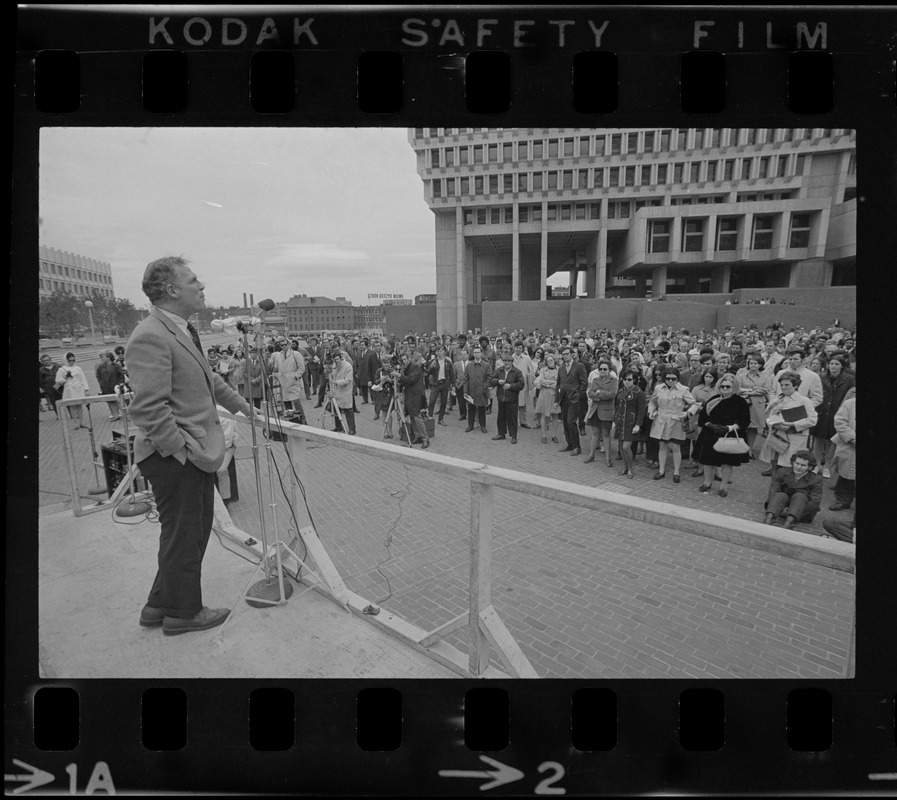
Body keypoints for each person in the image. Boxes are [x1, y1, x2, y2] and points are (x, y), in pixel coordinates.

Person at [126, 256, 259, 636]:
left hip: (188, 455)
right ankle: (184, 613)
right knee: (187, 536)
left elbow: (208, 380)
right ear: (171, 290)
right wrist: (181, 451)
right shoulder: (151, 334)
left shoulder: (180, 331)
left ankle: (157, 606)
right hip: (177, 458)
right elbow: (149, 408)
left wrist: (245, 408)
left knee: (186, 534)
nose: (202, 287)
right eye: (194, 281)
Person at [692, 377, 752, 497]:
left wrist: (729, 428)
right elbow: (704, 416)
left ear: (734, 387)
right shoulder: (714, 399)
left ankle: (723, 486)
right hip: (711, 433)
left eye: (728, 386)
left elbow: (745, 420)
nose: (725, 388)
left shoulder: (740, 401)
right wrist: (709, 424)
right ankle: (707, 482)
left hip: (729, 435)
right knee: (707, 460)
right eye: (722, 386)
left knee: (727, 462)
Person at [758, 370, 818, 478]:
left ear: (795, 386)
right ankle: (775, 476)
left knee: (790, 463)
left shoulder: (804, 401)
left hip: (795, 437)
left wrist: (791, 424)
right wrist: (774, 424)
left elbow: (812, 420)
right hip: (778, 435)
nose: (784, 387)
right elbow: (768, 416)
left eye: (787, 385)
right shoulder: (778, 399)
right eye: (781, 385)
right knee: (775, 459)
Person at [647, 366, 699, 482]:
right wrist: (651, 411)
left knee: (675, 447)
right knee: (662, 446)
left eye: (673, 379)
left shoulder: (683, 389)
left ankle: (676, 472)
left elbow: (695, 404)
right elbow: (652, 401)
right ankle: (661, 470)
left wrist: (687, 413)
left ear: (677, 379)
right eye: (668, 378)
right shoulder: (658, 388)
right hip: (661, 420)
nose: (670, 381)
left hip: (676, 420)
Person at [811, 355, 855, 477]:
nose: (833, 367)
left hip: (837, 412)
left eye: (836, 364)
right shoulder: (820, 377)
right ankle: (816, 464)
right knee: (818, 439)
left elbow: (850, 397)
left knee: (832, 441)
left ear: (842, 366)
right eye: (831, 364)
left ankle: (827, 466)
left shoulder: (849, 379)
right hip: (821, 411)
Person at [763, 450, 823, 529]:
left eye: (803, 465)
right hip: (780, 507)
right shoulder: (782, 472)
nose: (799, 467)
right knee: (780, 495)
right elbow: (773, 491)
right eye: (797, 463)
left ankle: (789, 524)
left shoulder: (816, 479)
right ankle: (769, 519)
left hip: (801, 511)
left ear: (810, 467)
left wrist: (793, 509)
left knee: (800, 496)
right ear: (793, 463)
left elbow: (815, 501)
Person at [735, 354, 774, 457]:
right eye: (751, 363)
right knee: (741, 425)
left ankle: (749, 449)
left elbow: (765, 389)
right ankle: (739, 448)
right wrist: (750, 390)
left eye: (755, 363)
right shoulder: (741, 376)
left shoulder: (766, 377)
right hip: (743, 403)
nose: (752, 365)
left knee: (753, 427)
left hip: (757, 404)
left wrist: (750, 393)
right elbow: (737, 388)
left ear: (760, 365)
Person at [613, 369, 646, 479]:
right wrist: (614, 420)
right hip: (620, 421)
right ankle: (624, 467)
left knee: (626, 447)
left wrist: (638, 424)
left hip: (631, 423)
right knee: (621, 447)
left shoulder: (639, 393)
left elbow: (641, 411)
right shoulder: (621, 391)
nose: (626, 381)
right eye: (624, 379)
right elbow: (617, 407)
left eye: (629, 379)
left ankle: (631, 469)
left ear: (634, 380)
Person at [584, 360, 618, 466]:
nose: (602, 371)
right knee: (595, 434)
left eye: (605, 369)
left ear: (609, 370)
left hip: (606, 411)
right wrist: (599, 395)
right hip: (595, 410)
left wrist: (598, 393)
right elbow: (590, 392)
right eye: (600, 369)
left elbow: (612, 394)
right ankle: (591, 455)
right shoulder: (595, 379)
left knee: (606, 434)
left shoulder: (614, 380)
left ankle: (608, 458)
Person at [556, 346, 588, 456]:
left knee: (571, 422)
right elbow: (558, 384)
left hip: (574, 398)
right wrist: (557, 399)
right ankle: (569, 443)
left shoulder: (579, 366)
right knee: (565, 423)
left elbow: (584, 383)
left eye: (567, 354)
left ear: (571, 354)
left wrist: (579, 395)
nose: (565, 356)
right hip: (563, 398)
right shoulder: (561, 368)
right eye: (563, 354)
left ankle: (576, 447)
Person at [828, 387, 856, 512]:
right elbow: (839, 421)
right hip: (850, 445)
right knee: (846, 473)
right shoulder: (850, 404)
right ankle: (843, 500)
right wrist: (852, 438)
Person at [395, 351, 430, 448]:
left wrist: (399, 376)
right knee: (412, 416)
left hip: (416, 395)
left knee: (417, 417)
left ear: (409, 359)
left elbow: (410, 380)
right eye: (402, 360)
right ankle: (418, 436)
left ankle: (425, 438)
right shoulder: (405, 369)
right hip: (409, 395)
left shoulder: (415, 367)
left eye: (405, 359)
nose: (404, 362)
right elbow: (403, 382)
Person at [490, 351, 525, 443]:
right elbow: (491, 380)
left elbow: (521, 384)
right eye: (505, 360)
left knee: (512, 418)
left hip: (512, 399)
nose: (506, 362)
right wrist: (497, 381)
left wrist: (510, 386)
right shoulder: (499, 370)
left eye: (508, 361)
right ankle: (501, 434)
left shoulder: (517, 372)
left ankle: (513, 436)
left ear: (512, 361)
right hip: (501, 398)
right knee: (501, 417)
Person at [55, 352, 90, 429]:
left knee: (79, 405)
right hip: (69, 388)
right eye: (70, 360)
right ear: (66, 360)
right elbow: (58, 380)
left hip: (78, 388)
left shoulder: (78, 368)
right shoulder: (61, 369)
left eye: (73, 360)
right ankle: (76, 423)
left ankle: (81, 422)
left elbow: (83, 379)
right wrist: (65, 378)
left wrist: (86, 389)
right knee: (72, 405)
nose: (72, 362)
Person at [462, 346, 492, 433]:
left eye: (478, 352)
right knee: (471, 408)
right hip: (471, 391)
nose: (476, 354)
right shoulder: (469, 365)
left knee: (482, 409)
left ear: (482, 354)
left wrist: (484, 387)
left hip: (482, 391)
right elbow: (465, 379)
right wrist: (465, 391)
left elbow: (489, 377)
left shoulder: (486, 365)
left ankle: (483, 426)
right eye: (475, 352)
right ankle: (470, 425)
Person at [534, 352, 561, 444]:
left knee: (555, 415)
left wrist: (548, 383)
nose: (550, 362)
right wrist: (552, 383)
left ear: (555, 360)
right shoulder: (543, 370)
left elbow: (561, 382)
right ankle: (543, 435)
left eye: (551, 360)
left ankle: (554, 435)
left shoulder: (560, 370)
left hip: (555, 395)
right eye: (548, 360)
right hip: (545, 394)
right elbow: (540, 380)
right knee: (544, 415)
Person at [328, 351, 356, 434]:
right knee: (336, 409)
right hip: (336, 391)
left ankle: (352, 429)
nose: (336, 361)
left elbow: (348, 380)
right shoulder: (334, 366)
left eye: (337, 359)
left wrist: (336, 382)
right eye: (335, 360)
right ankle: (338, 426)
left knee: (348, 410)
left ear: (341, 358)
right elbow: (331, 375)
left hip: (345, 391)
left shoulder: (348, 366)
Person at [214, 407, 238, 506]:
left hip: (226, 447)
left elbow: (227, 441)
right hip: (211, 447)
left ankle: (225, 500)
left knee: (221, 470)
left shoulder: (225, 415)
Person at [426, 345, 454, 426]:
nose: (439, 352)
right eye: (438, 351)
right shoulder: (433, 361)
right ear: (436, 352)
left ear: (445, 352)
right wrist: (431, 367)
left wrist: (453, 385)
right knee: (431, 401)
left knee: (443, 402)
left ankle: (441, 419)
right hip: (436, 384)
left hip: (445, 384)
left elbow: (452, 374)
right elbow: (428, 373)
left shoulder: (448, 362)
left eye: (441, 350)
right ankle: (430, 417)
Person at [513, 340, 536, 429]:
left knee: (523, 404)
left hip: (523, 384)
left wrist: (531, 380)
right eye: (516, 347)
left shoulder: (526, 358)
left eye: (520, 348)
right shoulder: (511, 358)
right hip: (513, 384)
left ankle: (523, 422)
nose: (518, 349)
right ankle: (514, 422)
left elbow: (531, 370)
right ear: (514, 348)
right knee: (513, 403)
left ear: (522, 349)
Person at [95, 351, 125, 420]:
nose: (102, 358)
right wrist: (101, 383)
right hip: (105, 387)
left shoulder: (116, 365)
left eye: (104, 357)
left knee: (118, 401)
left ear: (109, 357)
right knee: (110, 401)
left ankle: (125, 414)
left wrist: (119, 384)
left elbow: (121, 375)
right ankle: (115, 415)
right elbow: (98, 376)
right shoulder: (101, 366)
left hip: (115, 386)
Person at [39, 353, 62, 418]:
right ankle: (59, 415)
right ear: (42, 362)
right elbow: (41, 380)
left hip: (60, 386)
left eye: (47, 360)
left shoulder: (57, 366)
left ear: (50, 359)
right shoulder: (41, 370)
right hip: (49, 388)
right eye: (44, 361)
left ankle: (71, 414)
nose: (46, 361)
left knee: (64, 399)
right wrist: (42, 388)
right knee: (54, 402)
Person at [453, 346, 471, 421]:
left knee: (470, 401)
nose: (463, 356)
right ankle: (463, 414)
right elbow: (454, 375)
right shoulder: (456, 364)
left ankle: (471, 415)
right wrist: (455, 381)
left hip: (469, 385)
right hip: (459, 385)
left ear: (468, 355)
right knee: (461, 401)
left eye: (465, 354)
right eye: (462, 354)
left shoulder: (471, 363)